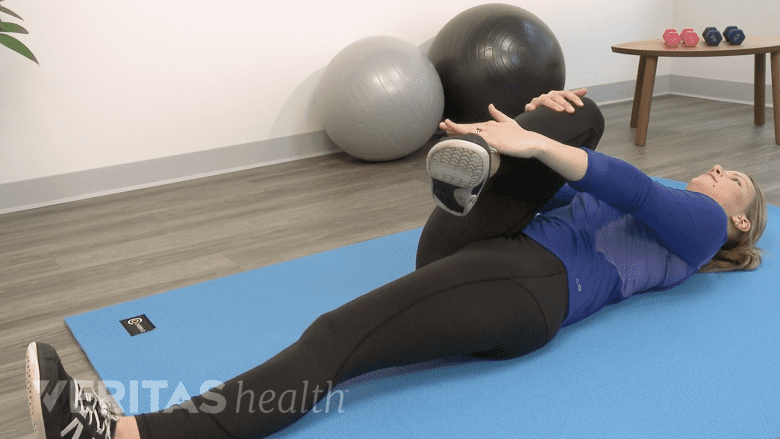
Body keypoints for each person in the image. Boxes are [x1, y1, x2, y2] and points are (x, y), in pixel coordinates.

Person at [25, 89, 767, 439]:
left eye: (733, 174)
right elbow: (594, 185)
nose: (716, 166)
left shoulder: (699, 229)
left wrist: (540, 148)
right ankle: (482, 155)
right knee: (581, 113)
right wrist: (543, 127)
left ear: (740, 218)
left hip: (533, 284)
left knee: (334, 341)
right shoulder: (673, 213)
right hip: (499, 243)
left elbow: (630, 183)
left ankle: (121, 434)